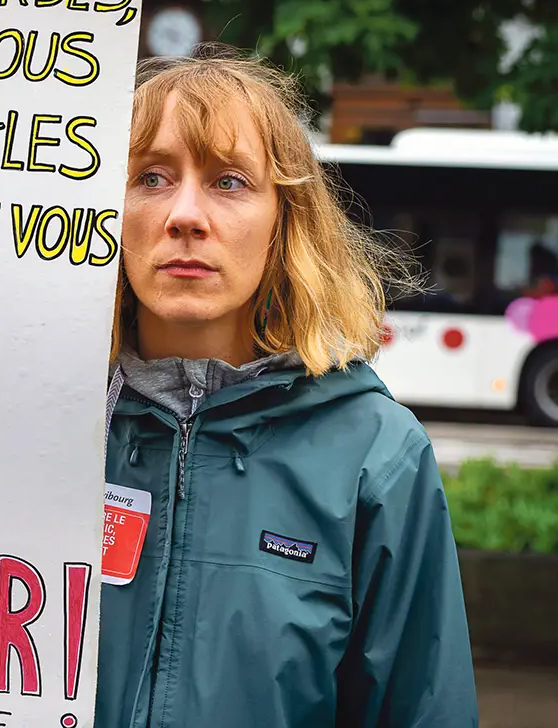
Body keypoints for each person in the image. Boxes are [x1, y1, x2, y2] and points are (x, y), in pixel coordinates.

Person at [96, 53, 478, 726]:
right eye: (150, 177)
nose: (185, 214)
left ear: (284, 222)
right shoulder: (34, 426)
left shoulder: (375, 455)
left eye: (230, 181)